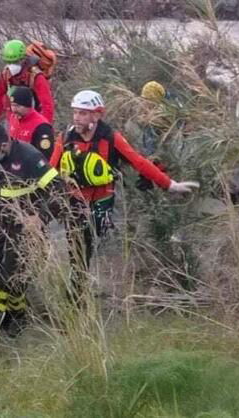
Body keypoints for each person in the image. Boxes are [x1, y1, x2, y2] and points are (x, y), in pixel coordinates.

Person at [54, 90, 199, 300]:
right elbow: (50, 170)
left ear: (96, 115)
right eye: (75, 112)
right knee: (78, 247)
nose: (77, 117)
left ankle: (100, 281)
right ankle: (76, 294)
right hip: (75, 200)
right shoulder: (65, 138)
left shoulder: (112, 138)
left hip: (102, 200)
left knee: (96, 242)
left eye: (83, 113)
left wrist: (169, 184)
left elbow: (138, 161)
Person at [0, 121, 65, 335]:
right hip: (2, 224)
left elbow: (58, 190)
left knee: (14, 275)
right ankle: (0, 317)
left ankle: (19, 317)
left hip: (25, 228)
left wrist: (40, 217)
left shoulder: (29, 157)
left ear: (4, 145)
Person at [0, 39, 55, 124]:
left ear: (23, 59)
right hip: (13, 120)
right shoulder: (6, 74)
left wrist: (45, 127)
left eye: (15, 62)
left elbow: (47, 105)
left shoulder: (35, 76)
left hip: (34, 121)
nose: (11, 65)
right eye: (9, 62)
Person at [6, 86, 56, 161]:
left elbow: (44, 156)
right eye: (12, 105)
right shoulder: (13, 118)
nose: (14, 109)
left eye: (18, 106)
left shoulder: (42, 126)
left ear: (28, 106)